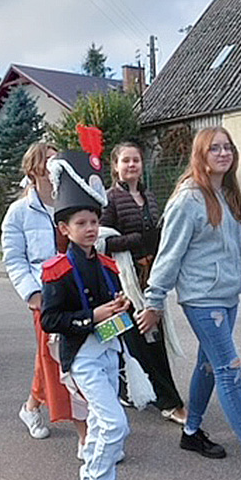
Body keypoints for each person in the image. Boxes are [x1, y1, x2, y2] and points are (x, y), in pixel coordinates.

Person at [137, 127, 241, 480]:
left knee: (209, 365)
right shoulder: (188, 200)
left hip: (226, 295)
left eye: (228, 147)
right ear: (201, 155)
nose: (224, 153)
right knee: (229, 368)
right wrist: (154, 301)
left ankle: (191, 432)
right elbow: (168, 255)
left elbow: (230, 241)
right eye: (215, 148)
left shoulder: (225, 193)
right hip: (202, 298)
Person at [41, 148, 132, 480]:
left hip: (109, 352)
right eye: (81, 222)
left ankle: (90, 479)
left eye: (94, 221)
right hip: (82, 357)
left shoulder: (108, 265)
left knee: (99, 422)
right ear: (64, 228)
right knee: (115, 424)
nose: (91, 228)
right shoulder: (57, 270)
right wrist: (91, 316)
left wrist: (121, 308)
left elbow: (113, 312)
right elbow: (50, 320)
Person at [100, 141, 187, 425]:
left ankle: (128, 387)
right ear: (115, 166)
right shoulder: (110, 199)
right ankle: (168, 401)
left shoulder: (148, 196)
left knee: (138, 337)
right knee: (142, 337)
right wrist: (135, 241)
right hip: (126, 283)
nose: (131, 165)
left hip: (149, 278)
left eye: (135, 160)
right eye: (125, 160)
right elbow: (101, 241)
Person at [1, 141, 74, 441]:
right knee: (51, 354)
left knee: (68, 353)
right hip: (44, 294)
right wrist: (32, 293)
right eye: (48, 159)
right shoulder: (18, 212)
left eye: (58, 159)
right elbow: (14, 258)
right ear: (34, 169)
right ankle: (75, 423)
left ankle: (32, 406)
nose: (54, 165)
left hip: (76, 289)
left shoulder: (72, 200)